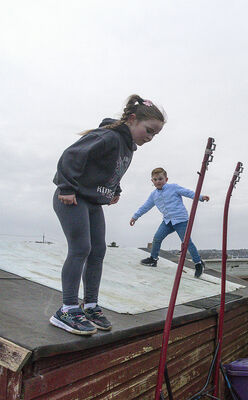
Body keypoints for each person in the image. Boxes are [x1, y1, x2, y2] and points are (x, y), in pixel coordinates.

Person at [52, 94, 165, 335]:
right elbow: (72, 156)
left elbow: (111, 170)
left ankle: (90, 305)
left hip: (92, 202)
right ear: (132, 119)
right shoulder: (108, 136)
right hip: (72, 197)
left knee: (98, 250)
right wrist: (66, 187)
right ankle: (67, 309)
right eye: (149, 130)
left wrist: (116, 190)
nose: (150, 137)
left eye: (155, 134)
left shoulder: (127, 148)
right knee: (81, 248)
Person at [130, 167, 209, 278]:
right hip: (168, 221)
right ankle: (153, 259)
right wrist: (135, 217)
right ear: (152, 181)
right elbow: (145, 206)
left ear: (166, 179)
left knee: (186, 242)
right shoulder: (154, 195)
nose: (158, 181)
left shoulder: (173, 187)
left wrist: (200, 197)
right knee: (157, 237)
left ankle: (198, 263)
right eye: (155, 179)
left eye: (160, 179)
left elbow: (188, 192)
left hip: (181, 220)